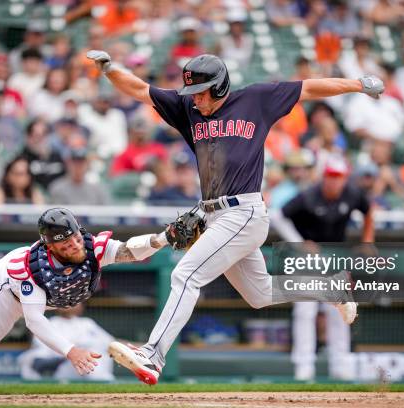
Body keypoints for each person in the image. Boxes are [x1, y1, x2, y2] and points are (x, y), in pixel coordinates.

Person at [86, 47, 384, 384]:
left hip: (243, 210)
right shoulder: (188, 109)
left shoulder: (256, 99)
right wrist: (110, 68)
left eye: (200, 92)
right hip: (215, 215)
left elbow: (310, 88)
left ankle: (153, 354)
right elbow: (141, 90)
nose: (195, 99)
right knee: (260, 294)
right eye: (191, 93)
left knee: (186, 275)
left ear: (220, 86)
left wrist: (358, 84)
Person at [0, 208, 170, 377]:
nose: (76, 245)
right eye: (67, 244)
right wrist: (71, 351)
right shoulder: (34, 269)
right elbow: (34, 320)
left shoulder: (92, 248)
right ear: (51, 246)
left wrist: (164, 238)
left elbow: (130, 250)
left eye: (77, 238)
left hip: (1, 279)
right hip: (6, 291)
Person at [272, 156, 374, 381]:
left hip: (335, 260)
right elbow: (278, 217)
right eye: (330, 176)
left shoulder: (352, 194)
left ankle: (341, 365)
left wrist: (368, 239)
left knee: (340, 312)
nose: (333, 182)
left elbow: (368, 211)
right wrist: (299, 242)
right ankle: (303, 367)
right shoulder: (309, 196)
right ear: (324, 176)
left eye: (338, 177)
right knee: (305, 311)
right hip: (307, 261)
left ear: (345, 179)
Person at [18, 303, 115, 381]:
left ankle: (103, 382)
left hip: (86, 363)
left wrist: (127, 345)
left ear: (81, 307)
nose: (69, 304)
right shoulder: (51, 322)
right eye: (66, 301)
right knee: (26, 358)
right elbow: (40, 350)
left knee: (96, 353)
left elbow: (110, 341)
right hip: (62, 363)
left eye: (76, 302)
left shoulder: (87, 323)